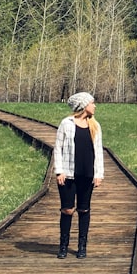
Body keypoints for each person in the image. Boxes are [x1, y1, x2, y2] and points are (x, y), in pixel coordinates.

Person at [53, 92, 104, 259]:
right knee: (67, 209)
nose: (95, 106)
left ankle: (82, 246)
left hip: (87, 175)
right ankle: (63, 245)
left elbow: (98, 152)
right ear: (83, 106)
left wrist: (98, 174)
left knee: (84, 209)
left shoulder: (95, 126)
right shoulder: (66, 124)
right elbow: (58, 148)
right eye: (92, 103)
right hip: (68, 175)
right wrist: (59, 171)